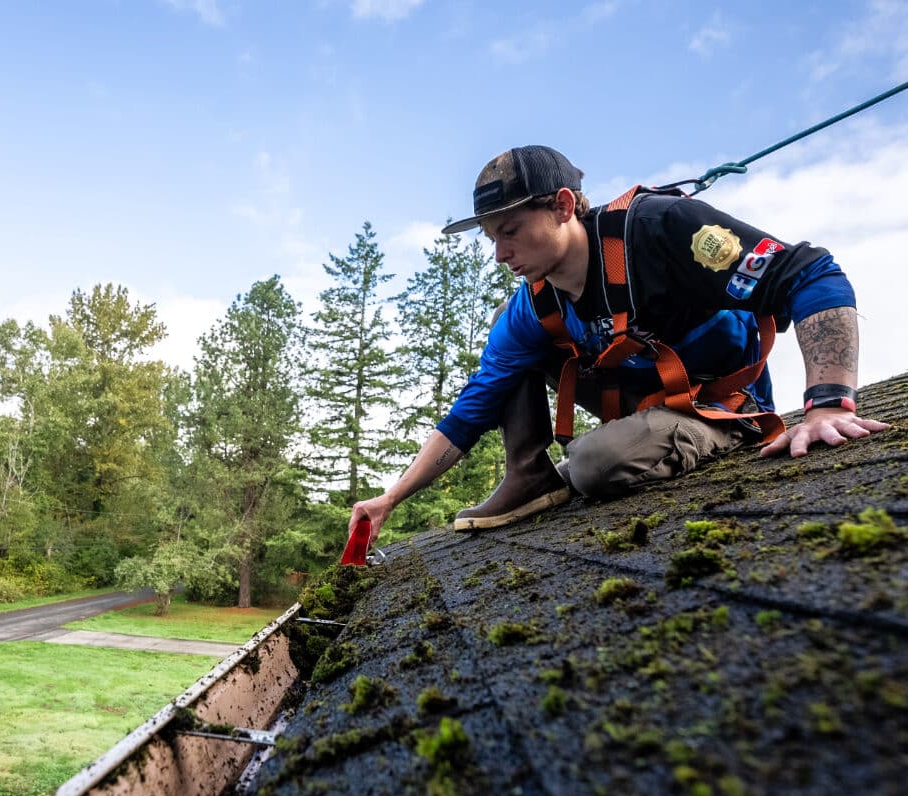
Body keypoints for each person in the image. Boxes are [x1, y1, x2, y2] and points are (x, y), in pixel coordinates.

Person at [349, 145, 888, 542]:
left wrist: (827, 404)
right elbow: (475, 406)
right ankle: (529, 478)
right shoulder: (534, 304)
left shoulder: (661, 230)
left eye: (510, 231)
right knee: (504, 339)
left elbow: (811, 273)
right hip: (643, 406)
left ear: (563, 206)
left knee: (593, 464)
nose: (500, 254)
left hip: (721, 405)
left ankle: (663, 443)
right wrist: (391, 498)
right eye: (492, 238)